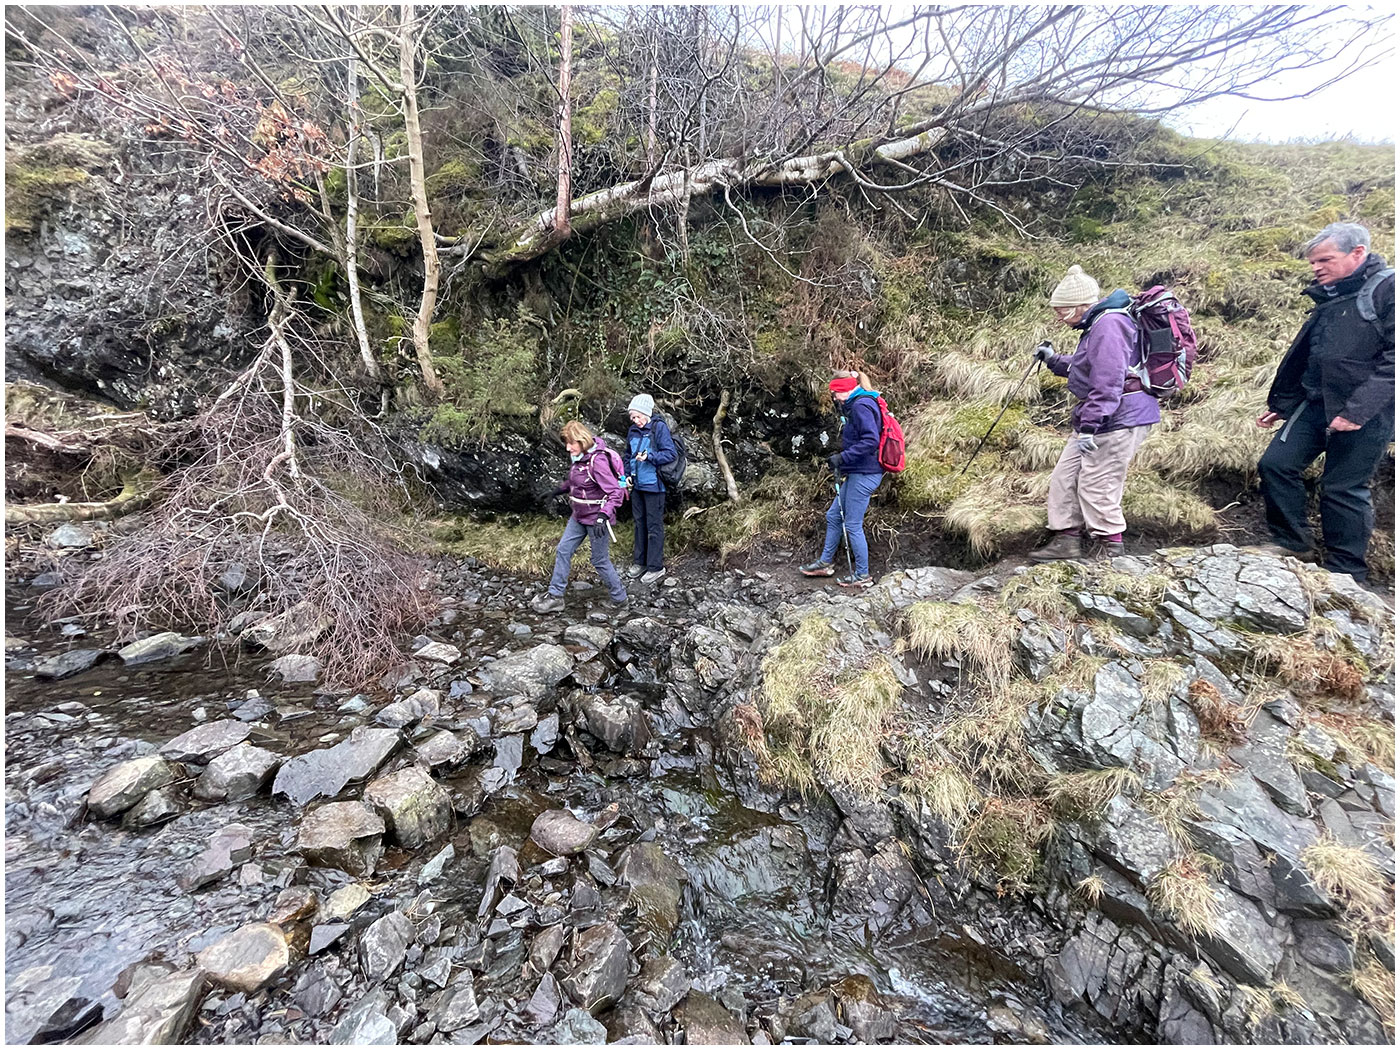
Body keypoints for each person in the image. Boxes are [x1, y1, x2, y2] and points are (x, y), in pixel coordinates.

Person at [1255, 222, 1394, 583]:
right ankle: (1293, 543)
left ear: (1358, 253)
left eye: (1325, 260)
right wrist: (1285, 403)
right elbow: (1312, 354)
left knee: (1342, 487)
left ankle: (1347, 571)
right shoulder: (1331, 294)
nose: (1316, 268)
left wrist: (1357, 411)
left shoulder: (1388, 289)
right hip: (1315, 401)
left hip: (1367, 411)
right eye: (1313, 262)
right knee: (1276, 465)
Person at [1029, 264, 1161, 562]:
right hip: (1103, 415)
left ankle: (1110, 548)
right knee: (1065, 477)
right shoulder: (1098, 323)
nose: (1059, 317)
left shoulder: (1110, 324)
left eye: (1062, 311)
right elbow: (1087, 366)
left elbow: (1109, 379)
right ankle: (1066, 540)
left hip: (1119, 416)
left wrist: (1089, 425)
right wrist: (1053, 360)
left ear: (1081, 305)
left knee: (1098, 482)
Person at [530, 421, 628, 613]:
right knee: (563, 550)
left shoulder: (598, 461)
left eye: (570, 443)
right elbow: (576, 482)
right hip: (578, 516)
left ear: (581, 440)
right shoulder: (579, 458)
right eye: (566, 443)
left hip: (596, 520)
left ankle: (620, 599)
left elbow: (615, 492)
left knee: (599, 560)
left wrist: (603, 516)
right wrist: (557, 491)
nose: (567, 448)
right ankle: (556, 596)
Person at [800, 370, 886, 587]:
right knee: (833, 516)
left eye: (835, 393)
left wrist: (843, 458)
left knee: (853, 524)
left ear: (845, 390)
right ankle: (825, 563)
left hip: (865, 473)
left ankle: (862, 575)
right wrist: (843, 459)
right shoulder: (857, 403)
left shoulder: (861, 406)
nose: (834, 398)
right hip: (858, 472)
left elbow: (871, 441)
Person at [623, 393, 677, 584]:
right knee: (639, 524)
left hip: (654, 486)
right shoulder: (632, 431)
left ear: (646, 413)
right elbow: (627, 455)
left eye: (637, 416)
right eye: (632, 417)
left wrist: (650, 457)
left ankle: (656, 567)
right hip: (637, 486)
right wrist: (627, 475)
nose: (635, 420)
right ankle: (640, 562)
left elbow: (670, 454)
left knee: (654, 525)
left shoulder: (658, 428)